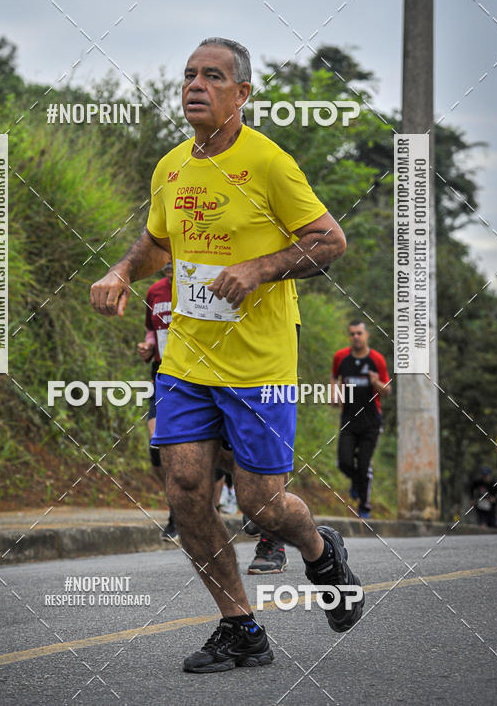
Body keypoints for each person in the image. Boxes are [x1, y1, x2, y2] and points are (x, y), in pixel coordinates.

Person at [91, 37, 364, 674]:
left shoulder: (268, 162)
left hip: (259, 364)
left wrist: (261, 267)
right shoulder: (171, 167)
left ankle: (321, 551)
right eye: (189, 75)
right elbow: (159, 242)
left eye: (213, 77)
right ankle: (241, 628)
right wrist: (124, 272)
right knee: (186, 488)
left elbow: (330, 240)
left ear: (242, 94)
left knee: (261, 503)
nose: (195, 85)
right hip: (187, 360)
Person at [331, 320, 391, 519]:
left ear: (366, 336)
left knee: (364, 465)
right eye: (352, 334)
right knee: (344, 462)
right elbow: (334, 377)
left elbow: (388, 390)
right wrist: (334, 394)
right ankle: (357, 482)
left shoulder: (376, 360)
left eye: (359, 333)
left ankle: (364, 506)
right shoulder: (341, 357)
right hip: (348, 418)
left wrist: (375, 382)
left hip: (371, 421)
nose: (355, 337)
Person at [137, 263, 177, 542]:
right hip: (161, 373)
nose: (169, 263)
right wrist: (148, 346)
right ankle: (179, 510)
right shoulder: (154, 291)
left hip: (195, 374)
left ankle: (183, 515)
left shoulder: (201, 285)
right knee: (157, 448)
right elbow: (153, 329)